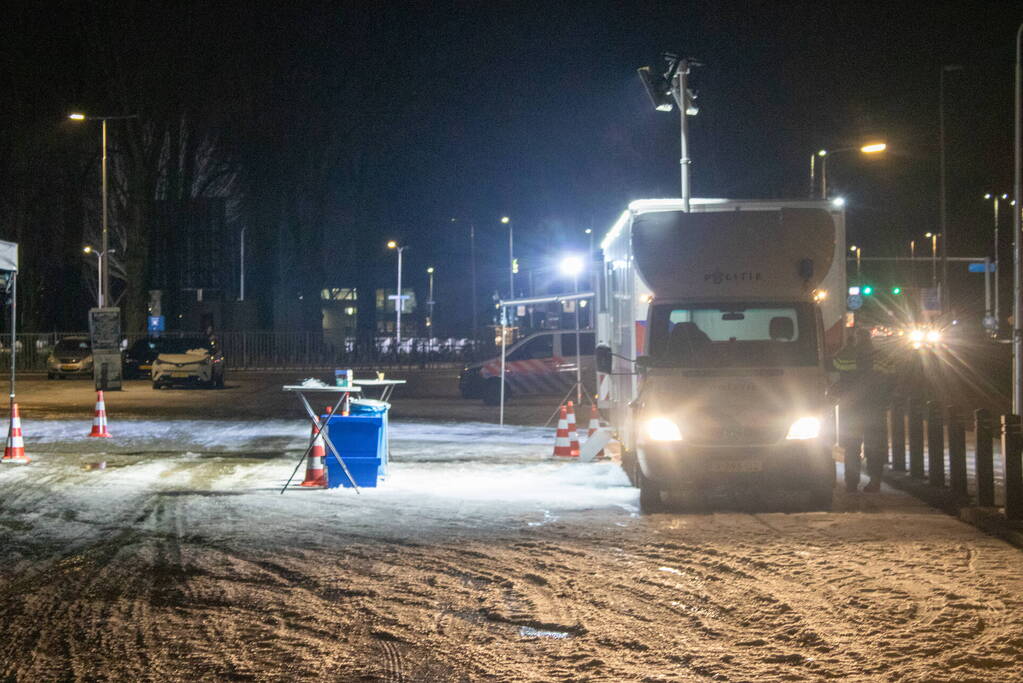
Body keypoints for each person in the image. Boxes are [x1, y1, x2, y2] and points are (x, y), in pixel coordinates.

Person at [832, 325, 893, 493]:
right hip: (875, 409)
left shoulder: (847, 355)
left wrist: (848, 345)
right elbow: (892, 380)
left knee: (852, 446)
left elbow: (834, 362)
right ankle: (875, 482)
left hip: (852, 409)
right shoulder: (882, 357)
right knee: (875, 447)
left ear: (856, 339)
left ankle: (851, 482)